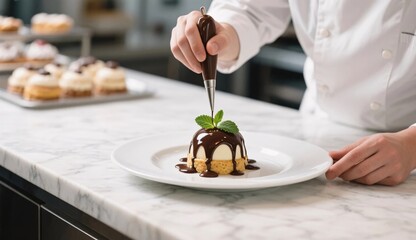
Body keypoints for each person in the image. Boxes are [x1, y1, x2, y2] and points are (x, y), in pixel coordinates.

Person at [170, 1, 416, 186]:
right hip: (317, 133)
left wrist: (412, 145)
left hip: (406, 144)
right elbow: (253, 9)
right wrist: (222, 33)